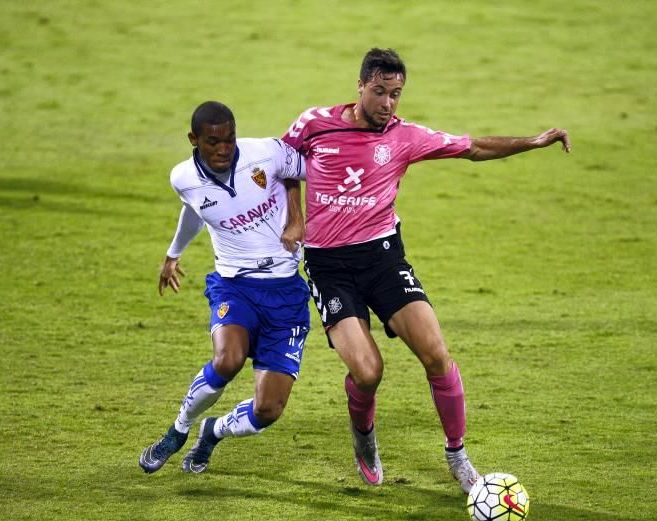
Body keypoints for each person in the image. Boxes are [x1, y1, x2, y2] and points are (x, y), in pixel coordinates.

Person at [281, 48, 570, 493]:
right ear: (360, 86)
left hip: (382, 259)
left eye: (396, 94)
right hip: (329, 267)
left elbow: (471, 147)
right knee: (368, 371)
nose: (388, 104)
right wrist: (294, 218)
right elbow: (283, 164)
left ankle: (457, 454)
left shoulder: (404, 137)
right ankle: (364, 435)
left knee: (436, 353)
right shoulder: (315, 123)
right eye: (379, 92)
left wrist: (531, 142)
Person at [139, 101, 311, 475]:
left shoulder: (264, 153)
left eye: (229, 140)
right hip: (235, 286)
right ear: (194, 140)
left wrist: (297, 220)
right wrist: (173, 254)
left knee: (269, 410)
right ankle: (178, 430)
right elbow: (196, 209)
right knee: (227, 359)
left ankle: (212, 431)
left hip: (286, 293)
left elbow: (300, 170)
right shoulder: (182, 177)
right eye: (213, 142)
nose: (223, 149)